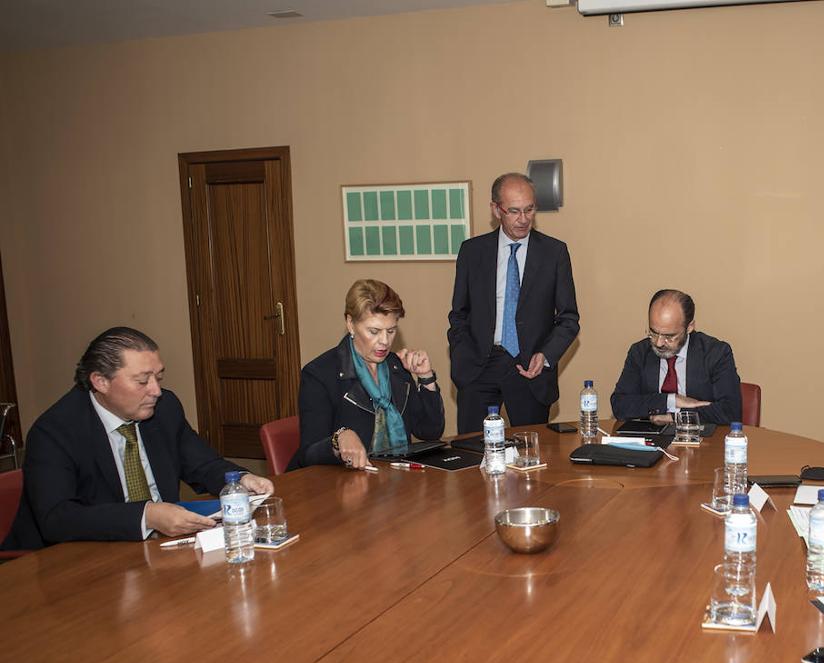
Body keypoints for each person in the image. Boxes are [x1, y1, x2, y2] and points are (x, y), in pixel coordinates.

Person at [2, 327, 274, 549]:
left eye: (159, 377)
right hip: (76, 561)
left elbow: (202, 464)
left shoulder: (165, 409)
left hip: (158, 550)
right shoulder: (55, 432)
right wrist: (146, 515)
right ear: (100, 381)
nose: (156, 391)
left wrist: (240, 479)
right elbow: (57, 519)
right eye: (143, 381)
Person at [447, 172, 579, 433]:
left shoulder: (554, 252)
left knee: (531, 449)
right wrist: (463, 352)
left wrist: (546, 355)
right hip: (479, 367)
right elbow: (459, 314)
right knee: (472, 449)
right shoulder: (472, 252)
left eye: (529, 209)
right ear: (496, 209)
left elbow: (568, 319)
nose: (523, 219)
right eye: (514, 211)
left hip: (529, 369)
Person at [290, 279, 444, 470]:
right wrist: (338, 439)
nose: (385, 341)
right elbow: (308, 454)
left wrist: (426, 377)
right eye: (374, 331)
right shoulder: (319, 374)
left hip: (395, 477)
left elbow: (430, 432)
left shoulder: (396, 366)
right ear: (350, 324)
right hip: (342, 481)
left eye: (391, 331)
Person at [609, 289, 742, 426]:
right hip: (650, 437)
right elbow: (619, 405)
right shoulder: (640, 352)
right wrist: (671, 400)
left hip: (700, 436)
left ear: (689, 327)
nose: (659, 343)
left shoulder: (715, 353)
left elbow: (731, 412)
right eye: (653, 333)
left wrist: (675, 417)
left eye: (669, 336)